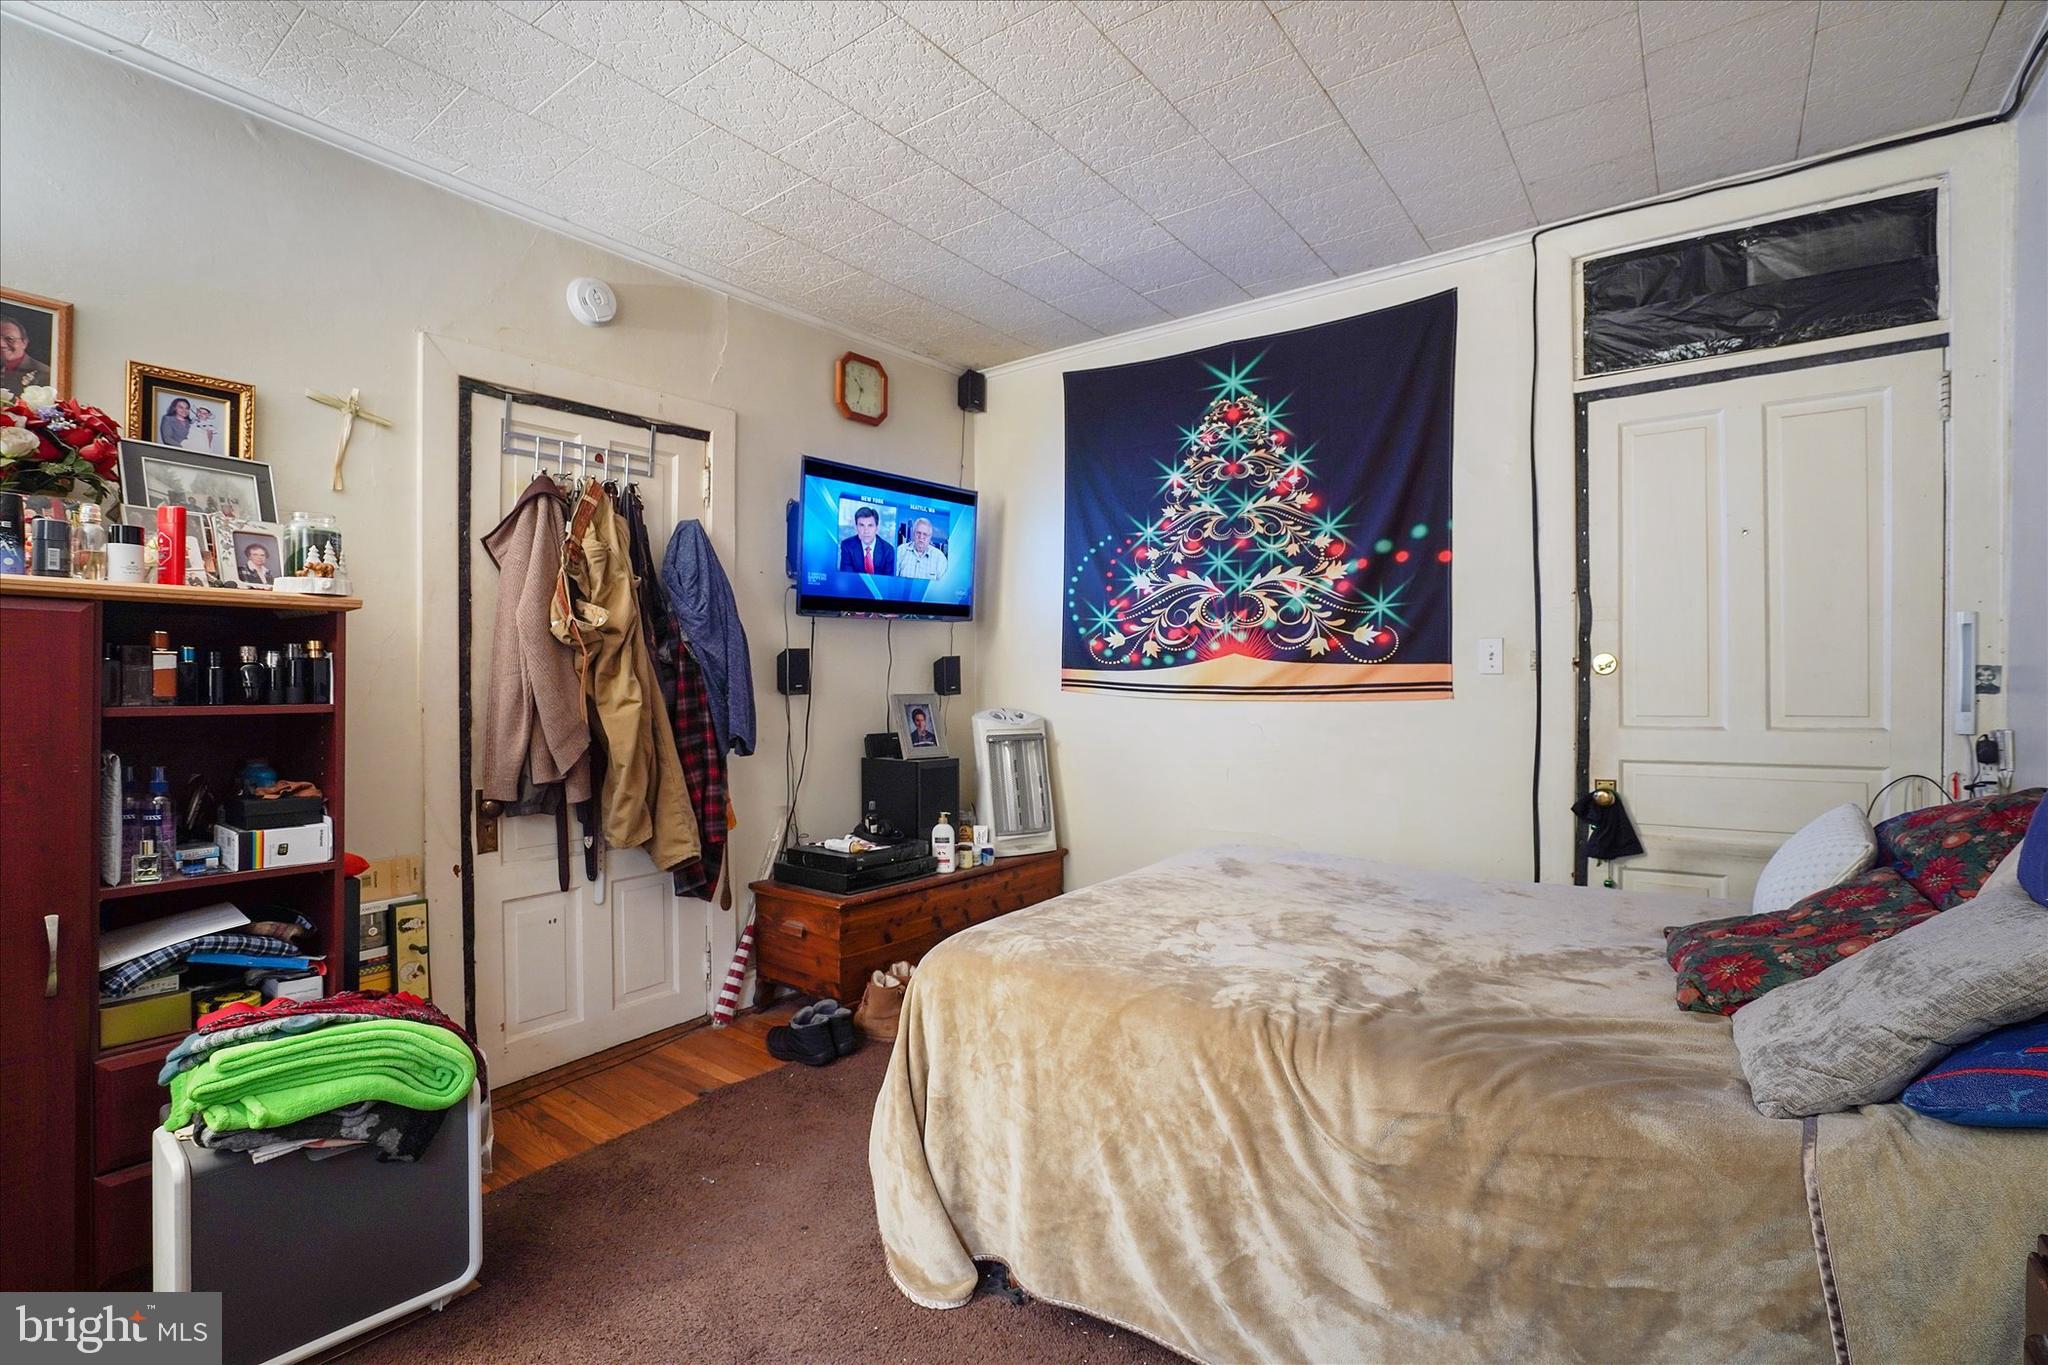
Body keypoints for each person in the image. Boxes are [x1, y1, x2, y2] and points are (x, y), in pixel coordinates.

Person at [838, 505, 894, 575]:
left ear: (877, 528)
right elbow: (847, 576)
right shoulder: (847, 546)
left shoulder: (888, 550)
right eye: (862, 525)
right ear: (856, 527)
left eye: (870, 525)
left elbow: (888, 581)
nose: (866, 531)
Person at [0, 318, 52, 391]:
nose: (1, 344)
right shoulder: (3, 366)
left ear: (24, 342)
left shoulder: (45, 374)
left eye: (9, 339)